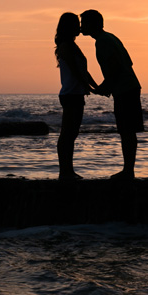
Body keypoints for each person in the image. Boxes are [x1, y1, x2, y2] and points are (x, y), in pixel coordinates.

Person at [80, 9, 143, 180]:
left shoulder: (102, 42)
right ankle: (128, 170)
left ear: (91, 24)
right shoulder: (111, 37)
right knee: (128, 131)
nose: (80, 27)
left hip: (124, 88)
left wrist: (104, 86)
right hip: (129, 86)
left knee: (126, 130)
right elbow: (128, 62)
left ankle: (128, 171)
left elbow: (116, 67)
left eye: (83, 23)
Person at [54, 12, 98, 180]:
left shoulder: (72, 45)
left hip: (76, 94)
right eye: (76, 23)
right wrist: (89, 87)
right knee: (67, 134)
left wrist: (95, 86)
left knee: (71, 134)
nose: (80, 26)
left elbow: (84, 71)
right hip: (71, 94)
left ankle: (68, 170)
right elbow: (75, 70)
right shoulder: (66, 45)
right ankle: (65, 171)